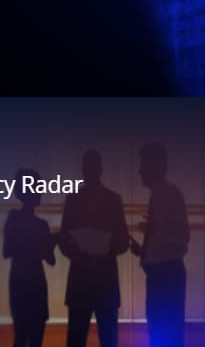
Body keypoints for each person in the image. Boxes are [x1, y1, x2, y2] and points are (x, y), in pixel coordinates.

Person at [59, 149, 128, 347]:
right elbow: (122, 241)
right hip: (101, 277)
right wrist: (102, 247)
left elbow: (64, 240)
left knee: (86, 336)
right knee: (101, 337)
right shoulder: (112, 200)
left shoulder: (75, 199)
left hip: (86, 277)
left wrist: (85, 248)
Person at [129, 141, 189, 347]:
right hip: (164, 274)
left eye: (143, 165)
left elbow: (179, 239)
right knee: (163, 330)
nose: (139, 171)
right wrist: (143, 251)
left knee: (163, 330)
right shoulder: (162, 194)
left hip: (165, 276)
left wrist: (153, 232)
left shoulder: (167, 194)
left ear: (155, 165)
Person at [4, 167, 58, 347]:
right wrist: (50, 241)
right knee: (35, 339)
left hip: (19, 282)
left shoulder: (13, 218)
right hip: (36, 284)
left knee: (20, 336)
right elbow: (51, 260)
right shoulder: (42, 225)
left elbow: (7, 251)